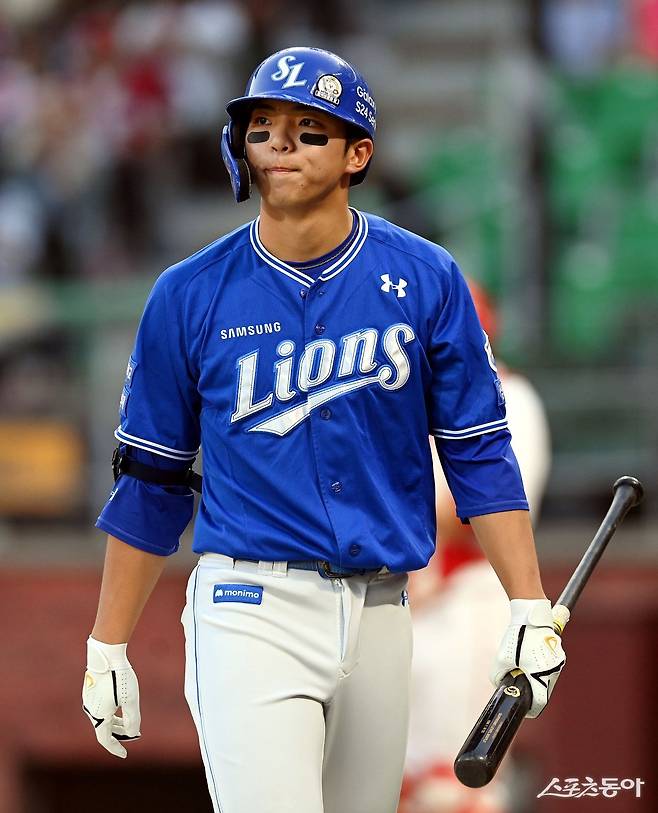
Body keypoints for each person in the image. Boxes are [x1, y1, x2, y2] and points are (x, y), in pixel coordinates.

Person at [81, 47, 566, 813]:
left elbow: (479, 452)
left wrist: (528, 603)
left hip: (383, 610)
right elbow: (151, 479)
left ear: (357, 155)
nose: (280, 142)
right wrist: (108, 643)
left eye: (310, 130)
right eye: (264, 125)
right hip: (249, 603)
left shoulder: (427, 277)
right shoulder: (186, 294)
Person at [401, 281, 552, 813]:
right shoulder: (407, 405)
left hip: (473, 597)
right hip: (410, 601)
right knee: (398, 777)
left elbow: (488, 508)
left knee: (459, 781)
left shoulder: (513, 396)